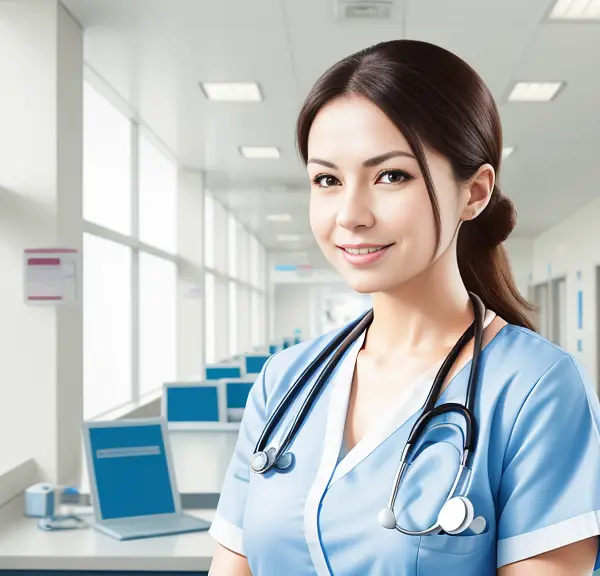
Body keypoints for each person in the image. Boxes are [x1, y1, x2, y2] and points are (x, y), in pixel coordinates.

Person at [208, 40, 600, 576]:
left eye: (391, 175)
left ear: (475, 192)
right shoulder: (284, 382)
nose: (350, 214)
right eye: (327, 180)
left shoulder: (538, 388)